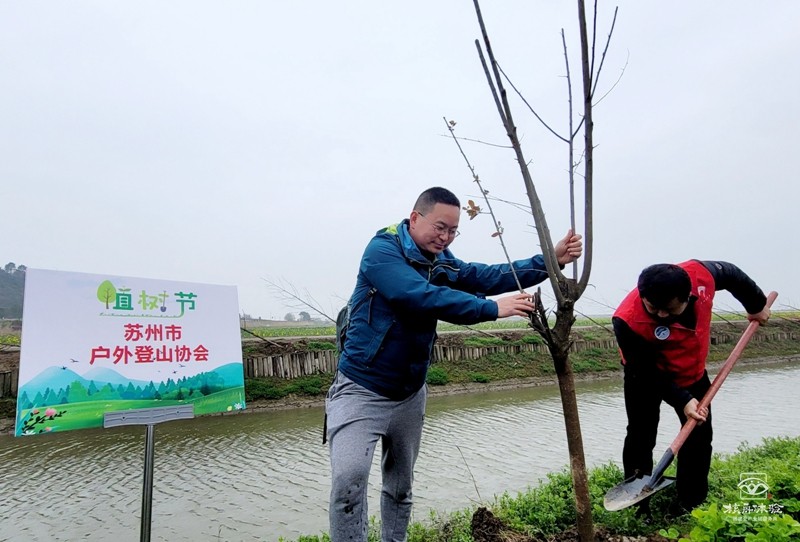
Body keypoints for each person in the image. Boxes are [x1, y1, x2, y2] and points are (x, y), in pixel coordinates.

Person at [325, 186, 582, 541]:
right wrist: (492, 308)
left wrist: (550, 260)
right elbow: (415, 295)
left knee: (400, 487)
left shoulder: (439, 259)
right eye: (440, 227)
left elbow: (485, 276)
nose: (445, 238)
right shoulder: (382, 251)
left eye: (452, 231)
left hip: (409, 393)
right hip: (361, 388)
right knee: (348, 481)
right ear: (415, 218)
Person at [613, 260, 770, 515]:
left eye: (668, 309)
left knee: (698, 437)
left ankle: (689, 503)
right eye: (653, 307)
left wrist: (756, 305)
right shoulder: (626, 320)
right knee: (640, 435)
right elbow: (643, 369)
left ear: (688, 296)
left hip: (691, 372)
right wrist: (683, 399)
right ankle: (638, 506)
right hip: (643, 375)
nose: (660, 315)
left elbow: (731, 274)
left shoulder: (702, 276)